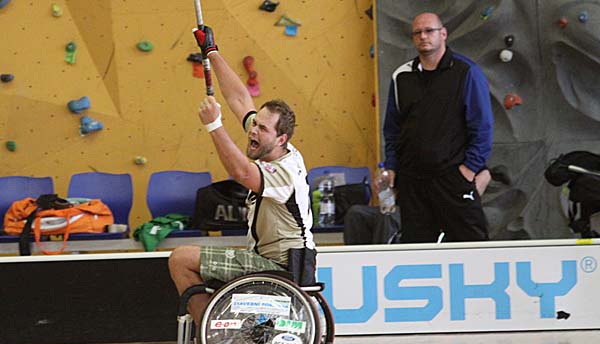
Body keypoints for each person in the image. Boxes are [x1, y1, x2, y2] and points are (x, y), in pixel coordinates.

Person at [168, 25, 316, 326]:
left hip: (281, 266)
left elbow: (240, 171)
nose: (253, 131)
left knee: (180, 259)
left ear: (281, 139)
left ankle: (211, 334)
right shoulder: (275, 146)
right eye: (255, 124)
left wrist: (213, 125)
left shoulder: (285, 172)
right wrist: (212, 52)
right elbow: (239, 99)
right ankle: (217, 331)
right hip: (268, 259)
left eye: (262, 128)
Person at [380, 12, 494, 243]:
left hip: (453, 178)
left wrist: (468, 170)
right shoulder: (401, 76)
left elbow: (482, 126)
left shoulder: (466, 72)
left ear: (443, 34)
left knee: (471, 246)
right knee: (417, 250)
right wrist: (392, 166)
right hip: (412, 182)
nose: (423, 36)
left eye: (429, 31)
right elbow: (392, 128)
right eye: (417, 33)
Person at [343, 168, 492, 245]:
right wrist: (386, 185)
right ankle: (356, 263)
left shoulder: (456, 157)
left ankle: (382, 263)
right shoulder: (409, 158)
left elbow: (483, 177)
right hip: (403, 205)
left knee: (388, 216)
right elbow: (393, 193)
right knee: (356, 213)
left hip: (431, 210)